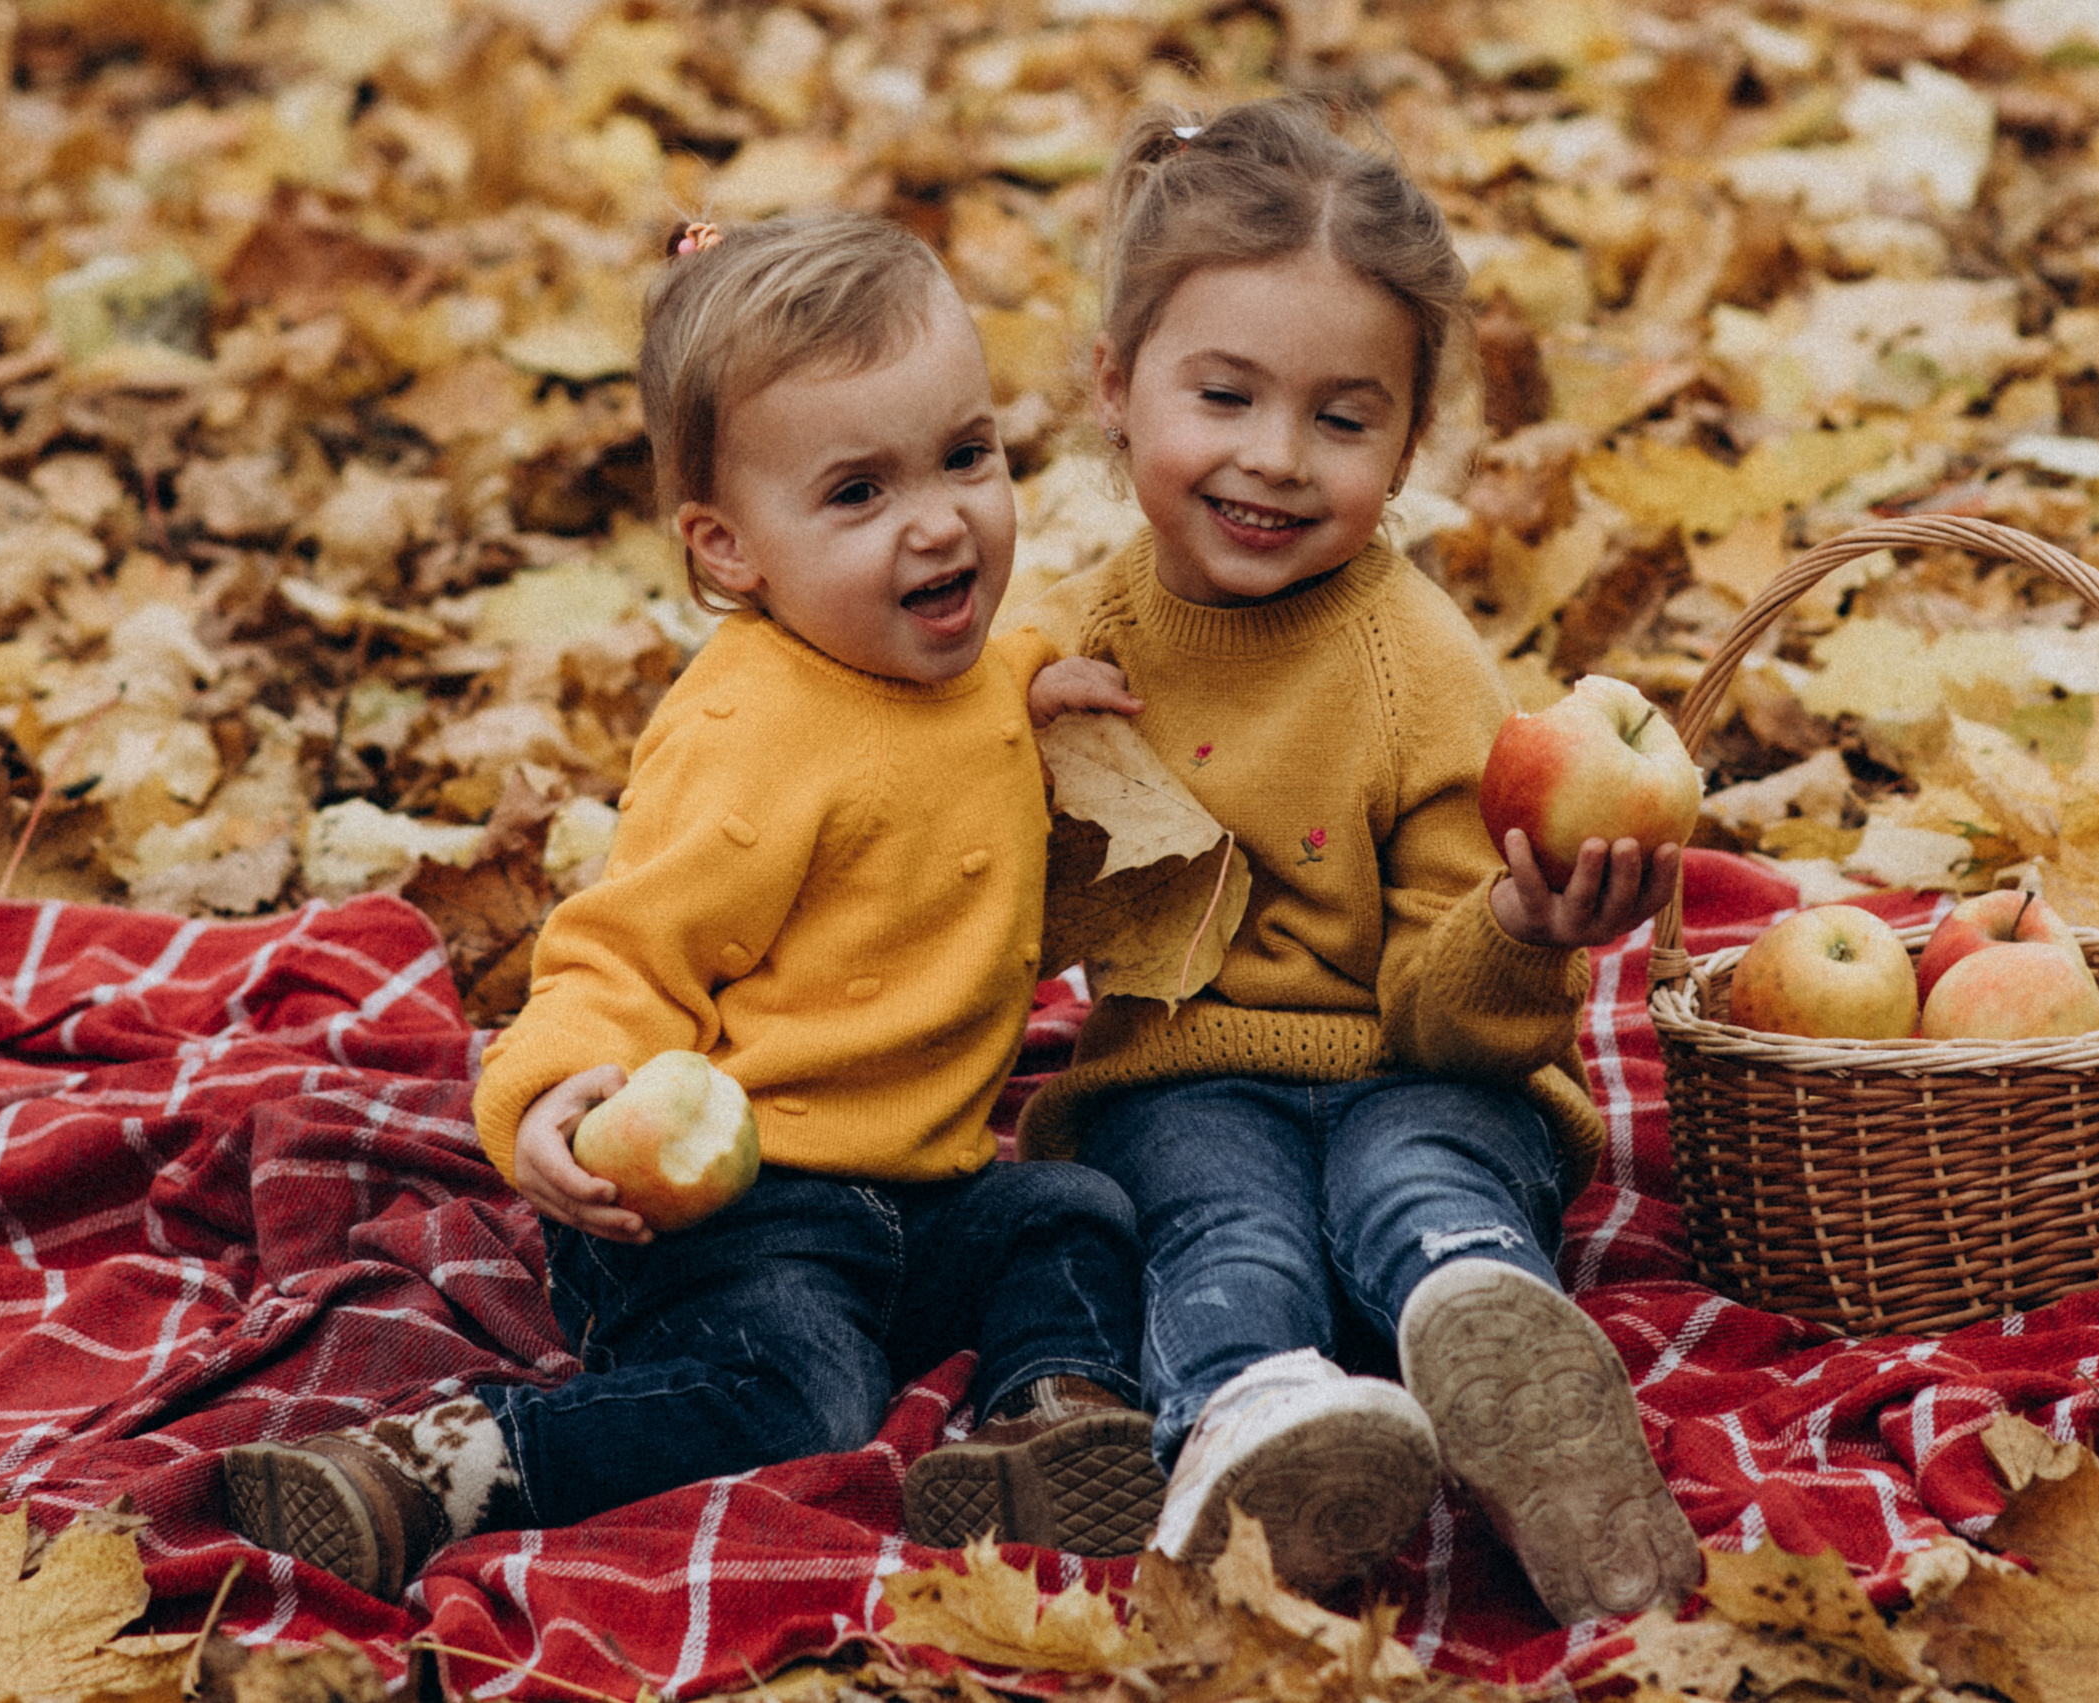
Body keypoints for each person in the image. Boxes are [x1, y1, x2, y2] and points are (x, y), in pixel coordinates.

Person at [219, 213, 1162, 1600]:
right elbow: (621, 951)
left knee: (1076, 1210)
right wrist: (545, 1098)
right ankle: (449, 1463)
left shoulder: (956, 660)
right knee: (805, 1396)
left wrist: (1041, 681)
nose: (941, 518)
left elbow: (975, 692)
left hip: (926, 1184)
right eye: (858, 494)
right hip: (736, 1202)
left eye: (967, 455)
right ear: (728, 551)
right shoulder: (745, 737)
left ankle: (1050, 1423)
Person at [1015, 97, 1705, 1623]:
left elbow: (1447, 1018)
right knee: (1219, 1212)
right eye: (1225, 396)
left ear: (1404, 443)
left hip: (1422, 1055)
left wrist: (1527, 930)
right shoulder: (1065, 645)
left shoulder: (1418, 664)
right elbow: (982, 900)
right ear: (1118, 388)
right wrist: (1004, 759)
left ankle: (1499, 1345)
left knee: (1426, 1172)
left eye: (1341, 419)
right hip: (1185, 1073)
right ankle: (1261, 1424)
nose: (1274, 460)